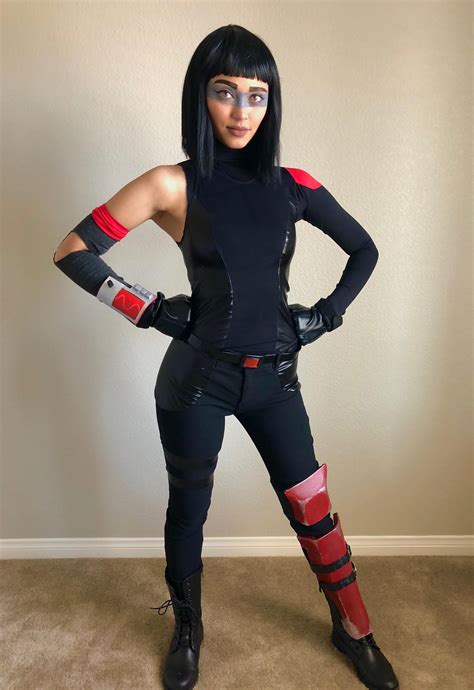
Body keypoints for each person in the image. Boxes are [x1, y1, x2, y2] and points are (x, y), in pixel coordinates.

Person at [53, 23, 399, 690]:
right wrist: (151, 310)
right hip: (195, 383)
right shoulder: (170, 184)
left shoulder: (293, 184)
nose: (241, 111)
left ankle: (354, 628)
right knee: (188, 508)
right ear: (200, 98)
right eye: (224, 92)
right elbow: (73, 250)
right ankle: (188, 629)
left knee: (313, 510)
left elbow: (365, 250)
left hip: (275, 380)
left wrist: (324, 316)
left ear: (271, 104)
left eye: (256, 94)